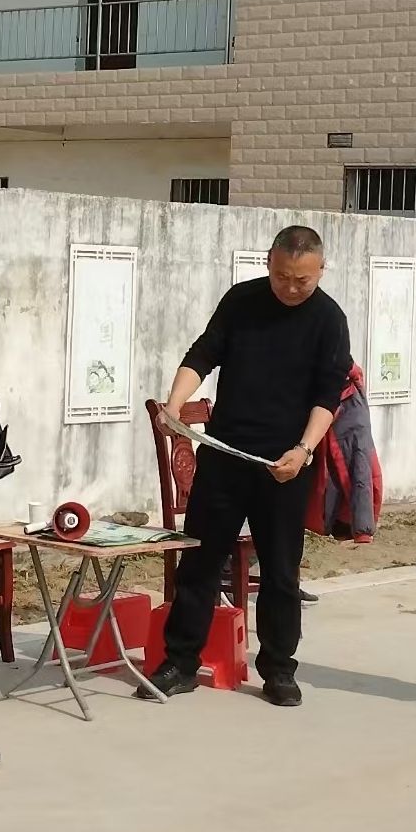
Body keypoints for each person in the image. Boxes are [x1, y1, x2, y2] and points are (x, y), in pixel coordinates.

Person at [142, 225, 351, 707]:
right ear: (268, 264)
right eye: (282, 277)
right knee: (200, 562)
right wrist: (174, 403)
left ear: (321, 270)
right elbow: (203, 353)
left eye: (302, 279)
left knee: (281, 572)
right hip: (225, 454)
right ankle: (180, 662)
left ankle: (279, 669)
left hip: (284, 464)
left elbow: (328, 393)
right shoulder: (241, 300)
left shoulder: (328, 319)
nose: (290, 287)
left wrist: (303, 450)